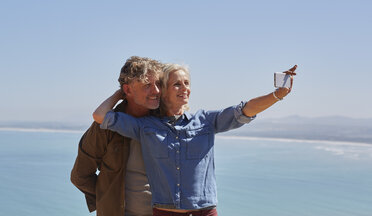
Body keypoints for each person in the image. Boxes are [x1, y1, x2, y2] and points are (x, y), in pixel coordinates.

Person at [93, 63, 297, 216]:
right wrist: (120, 93)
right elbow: (100, 115)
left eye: (186, 83)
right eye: (176, 84)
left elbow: (245, 110)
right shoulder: (145, 127)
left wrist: (277, 95)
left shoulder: (206, 121)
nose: (184, 88)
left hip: (204, 212)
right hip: (165, 212)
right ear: (163, 92)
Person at [70, 56, 163, 216]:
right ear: (127, 90)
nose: (156, 91)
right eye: (148, 85)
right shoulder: (106, 126)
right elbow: (80, 175)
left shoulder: (165, 121)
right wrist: (108, 200)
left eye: (158, 84)